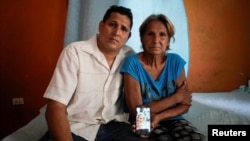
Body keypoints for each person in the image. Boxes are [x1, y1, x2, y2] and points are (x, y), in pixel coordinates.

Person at [40, 5, 150, 141]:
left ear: (128, 36)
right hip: (75, 127)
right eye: (112, 24)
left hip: (114, 126)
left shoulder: (130, 57)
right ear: (101, 26)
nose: (116, 32)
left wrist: (144, 128)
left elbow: (140, 98)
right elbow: (55, 106)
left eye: (123, 29)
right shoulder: (74, 52)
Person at [120, 14, 206, 141]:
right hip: (143, 121)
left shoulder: (175, 62)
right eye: (150, 34)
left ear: (168, 40)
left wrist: (159, 117)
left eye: (162, 34)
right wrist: (175, 98)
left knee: (197, 138)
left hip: (173, 118)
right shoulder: (132, 63)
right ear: (142, 38)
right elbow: (137, 112)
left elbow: (185, 105)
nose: (156, 40)